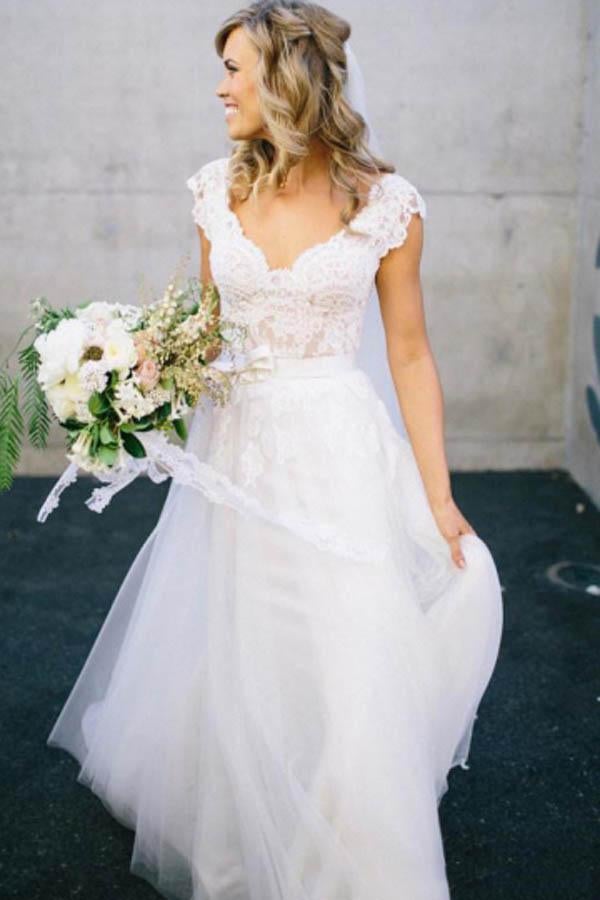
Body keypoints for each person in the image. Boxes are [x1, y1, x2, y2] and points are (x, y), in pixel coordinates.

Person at [46, 2, 504, 899]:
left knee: (345, 644)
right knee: (243, 638)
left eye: (233, 69)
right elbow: (205, 332)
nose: (220, 89)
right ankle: (242, 821)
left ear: (286, 77)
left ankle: (352, 836)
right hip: (237, 451)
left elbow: (410, 353)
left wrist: (440, 497)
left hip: (335, 450)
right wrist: (122, 375)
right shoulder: (217, 192)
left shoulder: (386, 206)